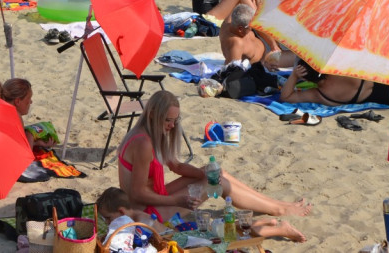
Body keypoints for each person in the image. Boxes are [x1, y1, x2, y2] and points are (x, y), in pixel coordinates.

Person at [117, 90, 310, 240]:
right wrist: (176, 201)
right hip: (146, 210)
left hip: (155, 198)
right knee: (217, 184)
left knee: (216, 173)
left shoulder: (151, 133)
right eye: (168, 120)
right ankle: (278, 211)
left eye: (175, 121)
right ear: (152, 114)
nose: (172, 126)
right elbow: (137, 194)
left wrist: (202, 172)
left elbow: (175, 165)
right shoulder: (143, 143)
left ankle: (278, 205)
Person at [281, 59, 389, 107]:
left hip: (385, 98)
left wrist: (294, 76)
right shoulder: (342, 67)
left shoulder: (318, 95)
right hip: (388, 81)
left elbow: (286, 97)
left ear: (306, 80)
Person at [0, 78, 56, 150]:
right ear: (17, 101)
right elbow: (24, 154)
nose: (31, 102)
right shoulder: (14, 116)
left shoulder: (0, 109)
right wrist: (30, 136)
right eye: (29, 98)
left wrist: (37, 143)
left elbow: (12, 144)